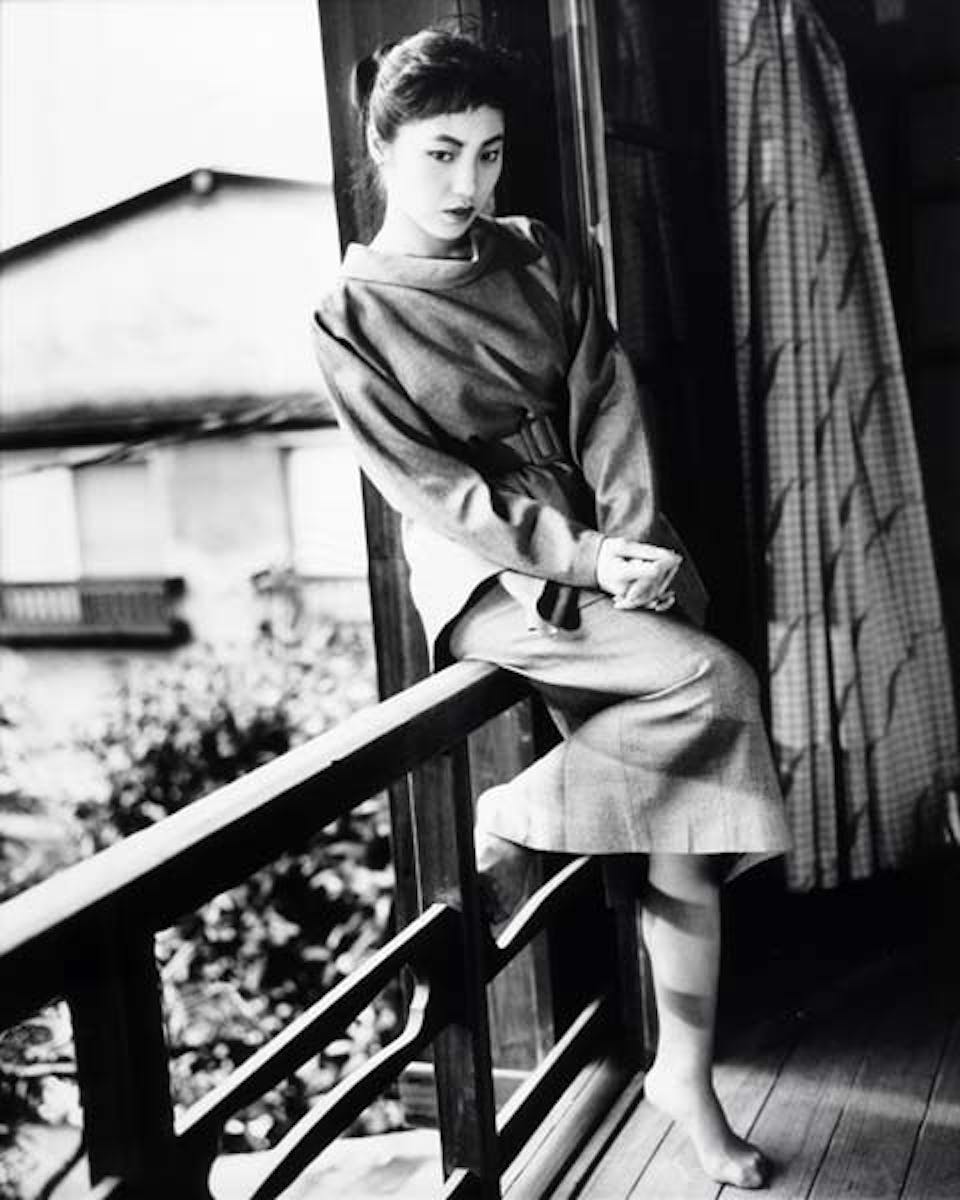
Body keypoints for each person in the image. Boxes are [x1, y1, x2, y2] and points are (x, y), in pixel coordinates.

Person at [310, 28, 791, 1191]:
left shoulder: (536, 252)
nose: (468, 182)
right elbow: (439, 492)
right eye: (441, 154)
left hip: (610, 549)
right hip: (493, 571)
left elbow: (605, 399)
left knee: (690, 817)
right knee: (713, 685)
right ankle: (518, 821)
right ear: (383, 150)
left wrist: (632, 541)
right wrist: (581, 559)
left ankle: (685, 1073)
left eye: (489, 153)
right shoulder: (349, 312)